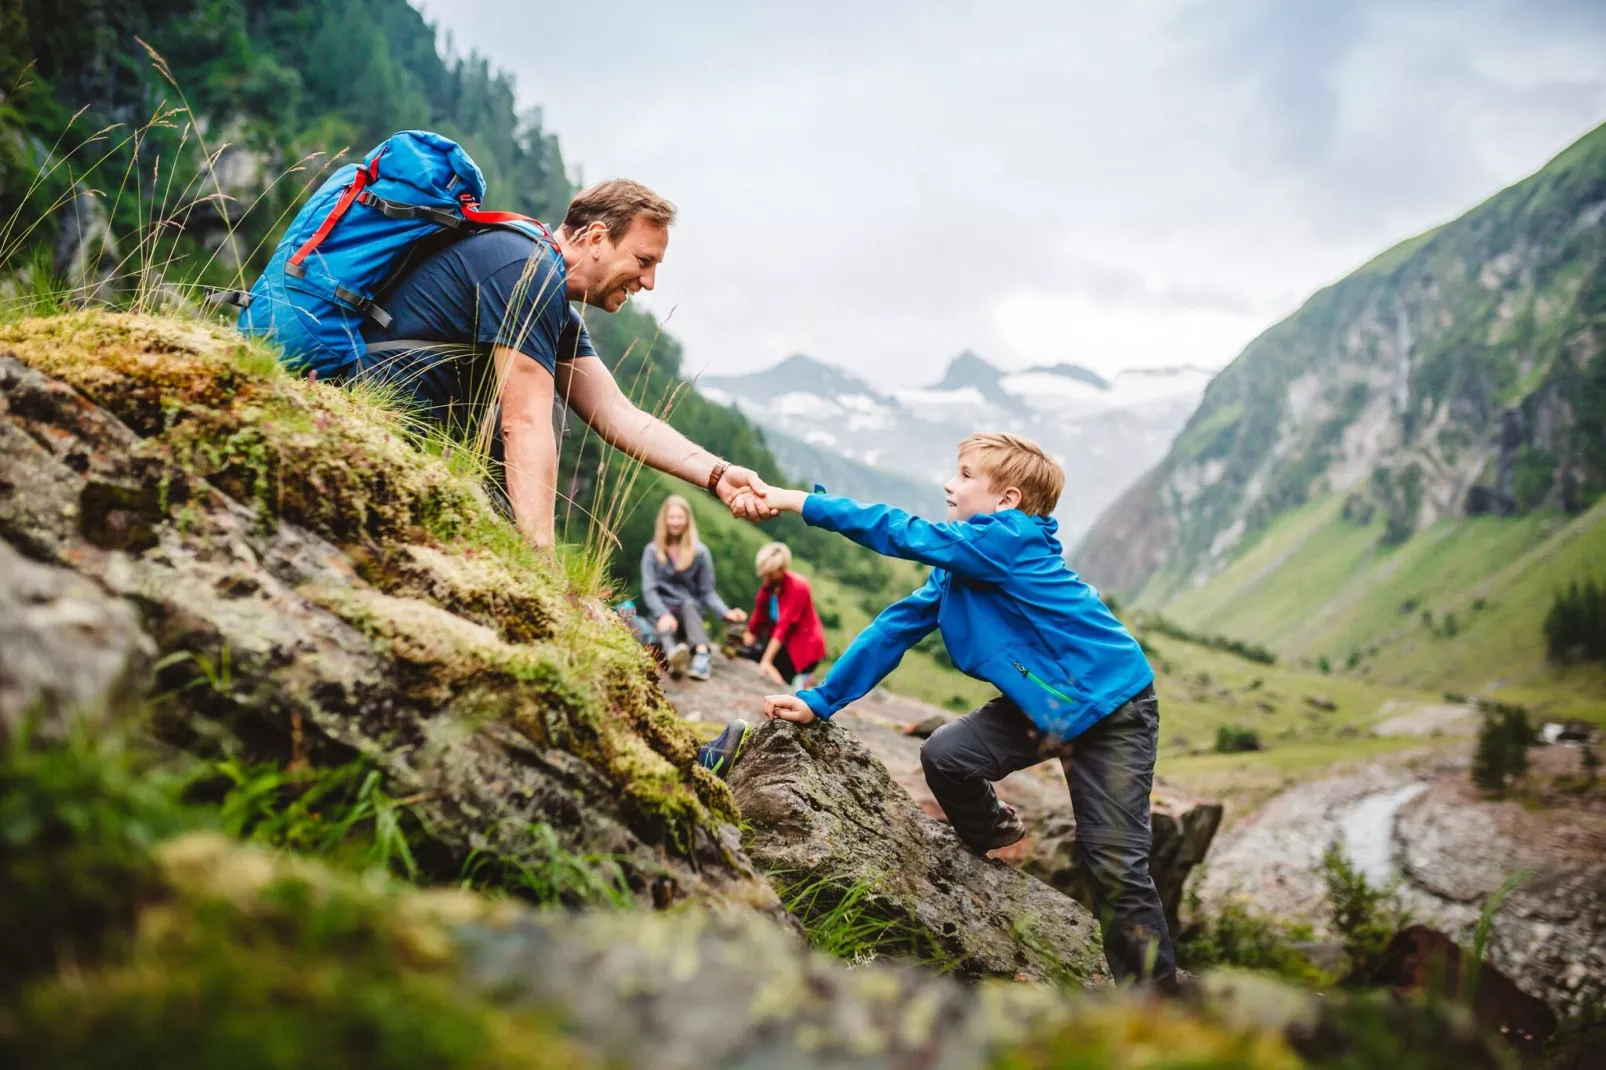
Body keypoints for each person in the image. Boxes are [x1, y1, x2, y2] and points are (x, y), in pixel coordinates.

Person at [745, 433, 1176, 989]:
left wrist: (793, 499)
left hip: (1113, 712)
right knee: (947, 754)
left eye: (967, 475)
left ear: (1008, 500)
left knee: (1114, 867)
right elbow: (894, 629)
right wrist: (819, 701)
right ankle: (994, 828)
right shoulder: (962, 564)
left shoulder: (1008, 542)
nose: (950, 484)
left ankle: (1158, 1008)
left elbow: (899, 531)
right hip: (1043, 705)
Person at [354, 178, 772, 546]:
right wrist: (542, 561)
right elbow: (524, 423)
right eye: (643, 261)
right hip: (381, 417)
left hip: (416, 431)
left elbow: (616, 413)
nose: (648, 282)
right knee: (543, 406)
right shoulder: (524, 269)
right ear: (595, 239)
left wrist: (718, 474)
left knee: (547, 398)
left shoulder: (549, 298)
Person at [640, 495, 747, 680]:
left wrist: (725, 613)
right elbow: (649, 589)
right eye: (671, 517)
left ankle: (701, 656)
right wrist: (662, 613)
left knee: (689, 604)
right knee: (663, 626)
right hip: (664, 614)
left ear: (687, 521)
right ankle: (673, 655)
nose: (675, 522)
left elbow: (707, 592)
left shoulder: (700, 553)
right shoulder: (652, 551)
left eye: (679, 517)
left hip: (691, 615)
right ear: (664, 520)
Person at [735, 542, 827, 687]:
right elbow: (757, 621)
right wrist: (745, 644)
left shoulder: (798, 587)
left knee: (781, 677)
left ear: (782, 569)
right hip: (782, 646)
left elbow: (783, 626)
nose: (766, 579)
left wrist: (767, 661)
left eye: (770, 575)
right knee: (746, 652)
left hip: (802, 649)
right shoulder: (768, 589)